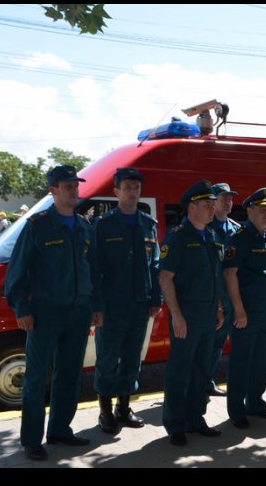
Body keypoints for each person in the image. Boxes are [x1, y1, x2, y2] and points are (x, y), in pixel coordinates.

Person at [4, 165, 100, 461]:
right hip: (44, 313)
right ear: (53, 191)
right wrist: (22, 307)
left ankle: (60, 429)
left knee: (69, 374)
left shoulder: (85, 226)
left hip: (78, 312)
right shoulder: (38, 225)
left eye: (75, 185)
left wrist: (95, 306)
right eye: (67, 186)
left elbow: (92, 271)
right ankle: (32, 438)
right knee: (36, 377)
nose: (74, 190)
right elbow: (17, 271)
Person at [93, 168, 162, 434]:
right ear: (116, 192)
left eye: (137, 188)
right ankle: (105, 412)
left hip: (140, 304)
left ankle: (123, 408)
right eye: (128, 188)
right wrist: (96, 306)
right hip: (112, 306)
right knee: (108, 359)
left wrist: (155, 297)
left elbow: (155, 264)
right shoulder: (104, 225)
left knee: (133, 358)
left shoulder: (148, 225)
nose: (133, 192)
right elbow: (95, 268)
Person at [160, 180, 225, 446]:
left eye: (213, 205)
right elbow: (165, 278)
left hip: (209, 314)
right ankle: (175, 425)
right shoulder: (177, 236)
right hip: (186, 315)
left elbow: (214, 276)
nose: (212, 210)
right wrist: (176, 315)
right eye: (207, 205)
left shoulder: (210, 236)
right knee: (180, 370)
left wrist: (219, 307)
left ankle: (196, 419)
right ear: (192, 207)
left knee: (201, 370)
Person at [222, 187, 266, 429]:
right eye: (261, 209)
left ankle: (255, 403)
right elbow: (229, 274)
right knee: (241, 361)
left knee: (261, 360)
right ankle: (237, 410)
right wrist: (238, 309)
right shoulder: (239, 238)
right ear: (249, 210)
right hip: (245, 313)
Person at [205, 182, 241, 397]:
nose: (228, 202)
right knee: (207, 342)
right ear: (213, 201)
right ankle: (197, 382)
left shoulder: (235, 229)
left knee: (218, 343)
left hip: (230, 296)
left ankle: (207, 381)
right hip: (211, 297)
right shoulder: (206, 228)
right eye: (223, 198)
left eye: (230, 198)